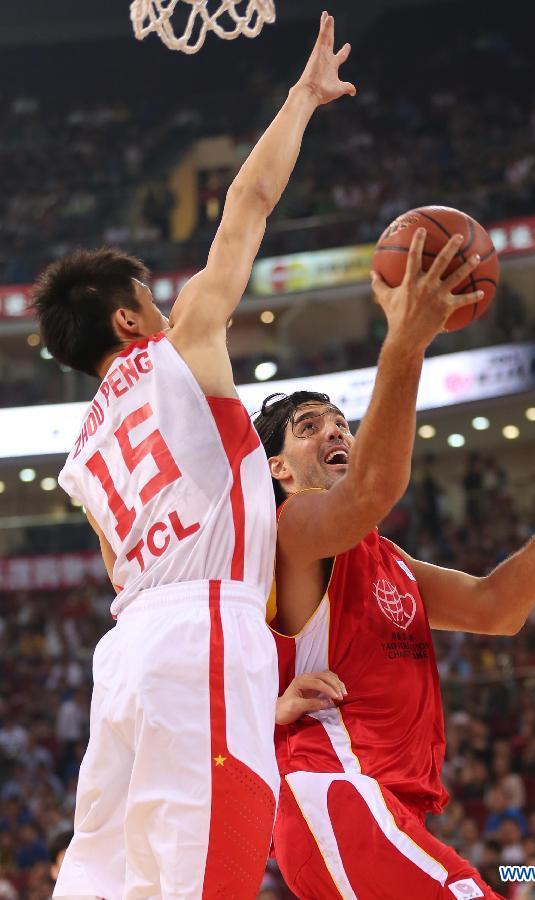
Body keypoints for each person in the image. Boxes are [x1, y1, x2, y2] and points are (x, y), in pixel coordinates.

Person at [32, 13, 355, 899]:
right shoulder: (181, 351)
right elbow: (246, 206)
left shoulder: (81, 453)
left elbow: (121, 572)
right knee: (204, 874)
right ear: (131, 320)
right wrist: (300, 98)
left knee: (105, 877)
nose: (170, 309)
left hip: (125, 655)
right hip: (206, 628)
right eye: (152, 300)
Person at [253, 229, 535, 899]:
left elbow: (497, 609)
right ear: (278, 469)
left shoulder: (384, 557)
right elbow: (373, 489)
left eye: (340, 421)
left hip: (386, 808)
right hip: (338, 792)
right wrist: (406, 341)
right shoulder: (290, 530)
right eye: (310, 425)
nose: (336, 431)